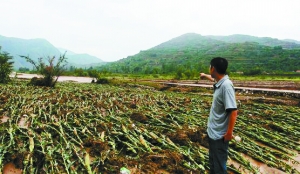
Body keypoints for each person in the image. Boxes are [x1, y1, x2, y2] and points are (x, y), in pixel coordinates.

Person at [200, 57, 238, 174]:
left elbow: (233, 111)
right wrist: (205, 75)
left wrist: (229, 134)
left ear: (213, 68)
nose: (209, 68)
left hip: (220, 136)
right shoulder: (220, 81)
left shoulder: (226, 86)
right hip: (213, 132)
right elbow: (213, 79)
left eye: (209, 67)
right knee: (213, 163)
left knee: (220, 167)